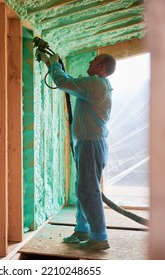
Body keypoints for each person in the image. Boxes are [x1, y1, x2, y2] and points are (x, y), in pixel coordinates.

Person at [36, 50, 116, 251]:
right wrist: (49, 63)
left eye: (94, 59)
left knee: (88, 190)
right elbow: (68, 81)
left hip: (91, 144)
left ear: (101, 67)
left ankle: (99, 237)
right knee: (83, 187)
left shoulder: (96, 84)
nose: (90, 60)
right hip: (87, 144)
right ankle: (83, 229)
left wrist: (54, 64)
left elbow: (64, 83)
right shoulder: (95, 85)